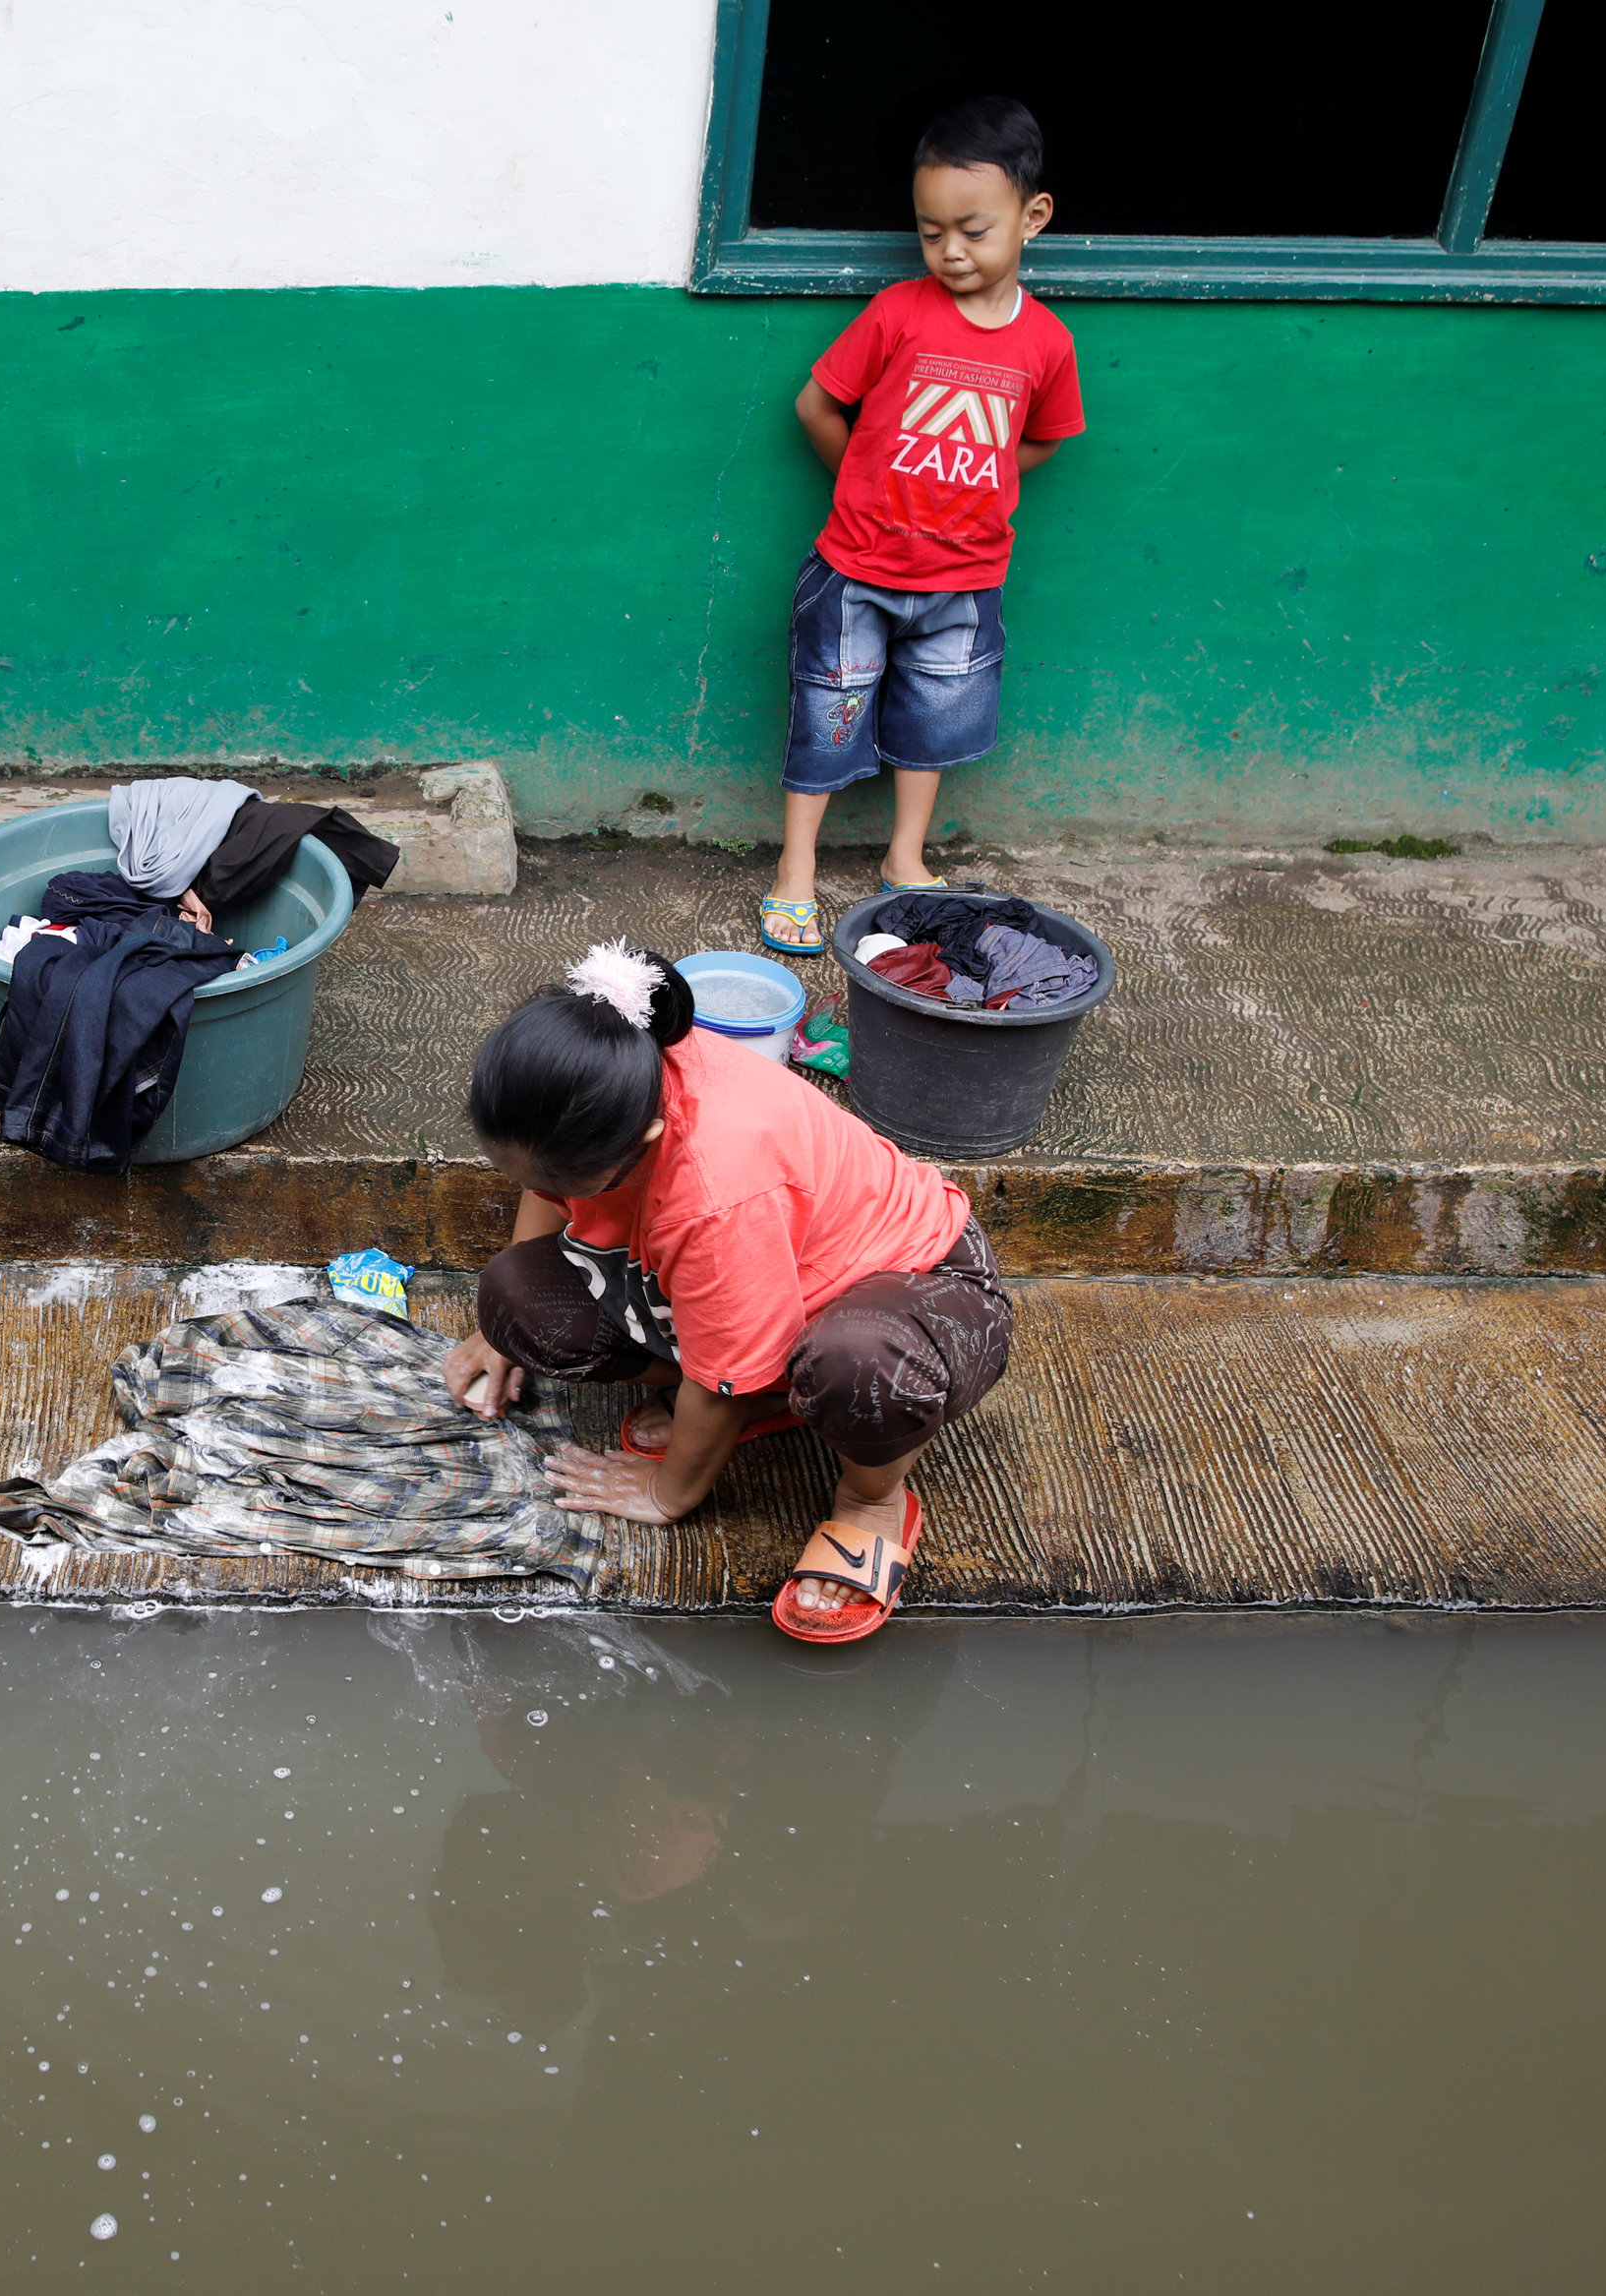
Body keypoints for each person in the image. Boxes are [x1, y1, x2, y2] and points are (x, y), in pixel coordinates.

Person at [440, 945, 1012, 1642]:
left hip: (920, 1294)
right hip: (765, 1283)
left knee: (855, 1366)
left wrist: (668, 1491)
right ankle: (775, 1394)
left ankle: (873, 1498)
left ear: (645, 1141)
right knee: (516, 1302)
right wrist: (497, 1332)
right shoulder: (613, 1070)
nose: (554, 1196)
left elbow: (718, 1376)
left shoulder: (715, 1189)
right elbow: (545, 1192)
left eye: (577, 1186)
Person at [757, 94, 1083, 958]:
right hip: (857, 569)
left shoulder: (1046, 342)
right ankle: (795, 870)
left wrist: (985, 486)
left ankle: (907, 855)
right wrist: (862, 480)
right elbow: (816, 404)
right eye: (931, 231)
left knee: (932, 725)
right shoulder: (900, 313)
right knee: (829, 715)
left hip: (964, 582)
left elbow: (1046, 436)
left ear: (1033, 216)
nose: (950, 251)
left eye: (973, 230)